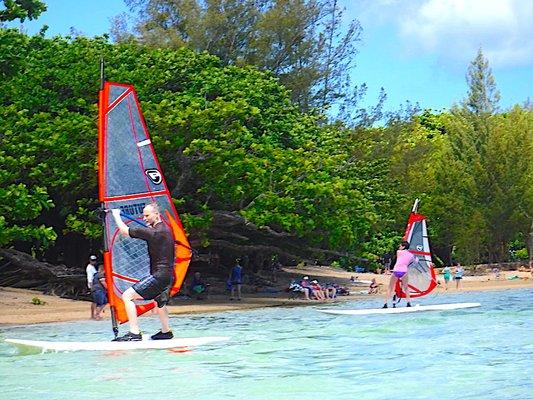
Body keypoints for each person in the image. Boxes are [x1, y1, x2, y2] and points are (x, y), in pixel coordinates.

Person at [111, 203, 175, 341]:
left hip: (159, 276)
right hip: (168, 276)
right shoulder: (167, 230)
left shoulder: (153, 233)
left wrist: (115, 215)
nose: (144, 218)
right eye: (143, 215)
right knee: (159, 301)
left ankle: (134, 333)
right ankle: (166, 331)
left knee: (127, 296)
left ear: (157, 214)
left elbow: (124, 230)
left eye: (147, 215)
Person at [383, 241, 418, 308]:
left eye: (400, 246)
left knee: (390, 287)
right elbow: (416, 261)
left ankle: (385, 304)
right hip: (404, 271)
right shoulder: (411, 255)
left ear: (403, 247)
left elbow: (401, 256)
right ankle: (408, 303)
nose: (399, 247)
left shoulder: (399, 252)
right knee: (406, 288)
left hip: (396, 270)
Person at [86, 255, 98, 319]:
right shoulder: (89, 268)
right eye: (92, 260)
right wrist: (91, 287)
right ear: (90, 260)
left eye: (94, 260)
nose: (94, 262)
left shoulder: (92, 267)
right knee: (94, 301)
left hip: (95, 285)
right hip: (93, 285)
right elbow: (89, 278)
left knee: (95, 301)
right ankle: (93, 315)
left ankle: (95, 314)